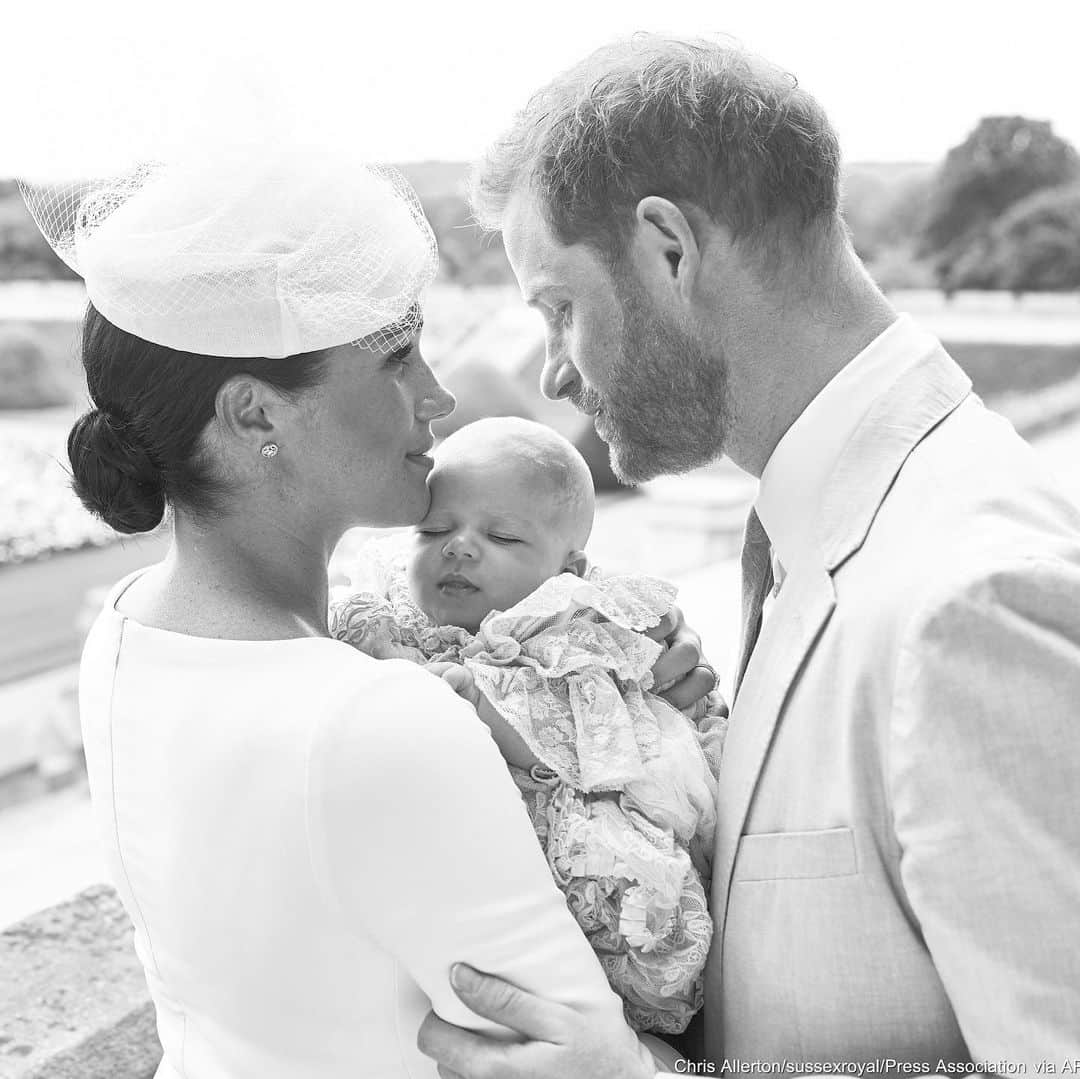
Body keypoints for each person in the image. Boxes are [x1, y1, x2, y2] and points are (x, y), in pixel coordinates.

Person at [416, 34, 1080, 1076]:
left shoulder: (973, 597)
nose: (549, 373)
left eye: (559, 307)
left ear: (668, 249)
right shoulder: (835, 530)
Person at [22, 151, 712, 1076]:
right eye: (396, 360)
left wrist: (603, 667)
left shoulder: (127, 628)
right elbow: (592, 1053)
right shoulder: (385, 715)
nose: (437, 395)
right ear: (254, 413)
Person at [331, 417, 729, 1035]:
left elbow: (574, 733)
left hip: (566, 832)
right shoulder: (387, 611)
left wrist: (473, 702)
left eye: (503, 536)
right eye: (435, 528)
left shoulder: (566, 632)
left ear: (568, 568)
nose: (459, 546)